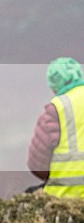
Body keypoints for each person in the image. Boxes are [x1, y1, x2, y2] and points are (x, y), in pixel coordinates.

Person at [27, 57, 84, 198]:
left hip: (67, 194)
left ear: (54, 85)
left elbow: (37, 165)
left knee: (29, 194)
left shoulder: (56, 110)